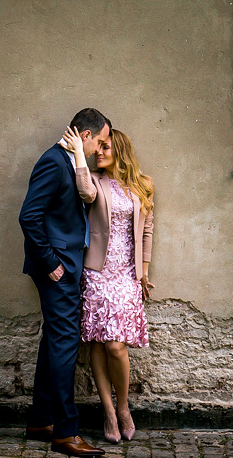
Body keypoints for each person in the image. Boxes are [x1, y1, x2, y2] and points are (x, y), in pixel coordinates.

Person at [19, 108, 110, 457]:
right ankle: (66, 433)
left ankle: (41, 421)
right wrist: (50, 263)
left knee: (54, 343)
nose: (100, 149)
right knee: (64, 345)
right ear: (85, 136)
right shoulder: (54, 162)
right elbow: (29, 216)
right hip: (57, 269)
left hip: (67, 265)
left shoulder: (70, 160)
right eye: (99, 142)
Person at [59, 127, 154, 444]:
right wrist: (78, 153)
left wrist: (143, 272)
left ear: (121, 152)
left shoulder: (143, 185)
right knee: (98, 343)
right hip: (97, 272)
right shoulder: (95, 181)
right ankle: (108, 412)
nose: (98, 152)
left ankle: (123, 407)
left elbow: (147, 230)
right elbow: (85, 192)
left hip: (126, 275)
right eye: (97, 147)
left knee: (116, 345)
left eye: (105, 147)